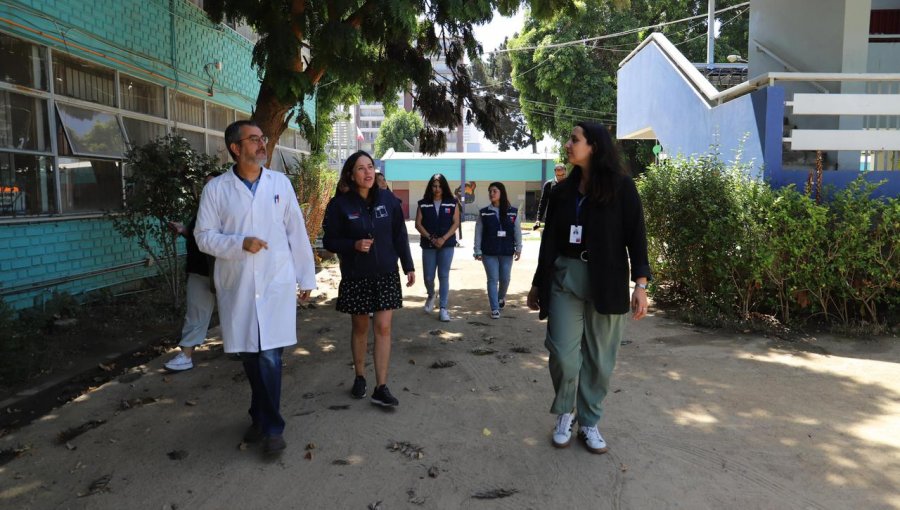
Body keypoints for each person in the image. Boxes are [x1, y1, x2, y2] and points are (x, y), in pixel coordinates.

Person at [526, 122, 651, 455]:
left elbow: (636, 237)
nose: (568, 144)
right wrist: (539, 282)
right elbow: (549, 239)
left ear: (593, 146)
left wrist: (640, 284)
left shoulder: (622, 187)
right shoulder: (561, 192)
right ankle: (565, 412)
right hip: (566, 277)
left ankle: (590, 419)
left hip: (607, 280)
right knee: (564, 355)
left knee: (600, 360)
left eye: (574, 139)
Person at [195, 120, 316, 456]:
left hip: (276, 282)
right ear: (236, 148)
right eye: (254, 139)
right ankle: (258, 415)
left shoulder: (280, 184)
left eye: (262, 138)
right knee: (250, 355)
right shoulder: (216, 190)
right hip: (239, 286)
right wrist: (239, 243)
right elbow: (203, 236)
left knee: (270, 356)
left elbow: (296, 232)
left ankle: (273, 428)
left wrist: (306, 277)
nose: (262, 144)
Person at [322, 150, 415, 407]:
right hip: (356, 275)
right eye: (361, 168)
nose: (368, 172)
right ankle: (360, 376)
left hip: (386, 274)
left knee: (383, 328)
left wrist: (408, 265)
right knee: (361, 328)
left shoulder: (389, 200)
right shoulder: (340, 205)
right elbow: (329, 241)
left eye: (370, 167)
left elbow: (400, 235)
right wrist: (353, 244)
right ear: (351, 175)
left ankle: (381, 386)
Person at [164, 171, 222, 372]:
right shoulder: (202, 210)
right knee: (195, 312)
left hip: (225, 272)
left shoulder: (232, 211)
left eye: (213, 185)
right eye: (206, 185)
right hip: (199, 270)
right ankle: (186, 355)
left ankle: (242, 348)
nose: (209, 189)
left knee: (234, 311)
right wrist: (183, 230)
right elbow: (198, 236)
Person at [414, 173, 460, 322]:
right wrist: (431, 238)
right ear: (430, 187)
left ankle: (443, 308)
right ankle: (431, 295)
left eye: (440, 186)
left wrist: (443, 239)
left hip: (446, 245)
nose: (437, 188)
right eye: (434, 186)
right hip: (428, 244)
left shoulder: (452, 202)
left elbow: (455, 223)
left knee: (444, 275)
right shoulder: (423, 203)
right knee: (428, 276)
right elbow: (418, 224)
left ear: (444, 186)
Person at [473, 182, 522, 320]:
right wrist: (477, 250)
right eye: (490, 191)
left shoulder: (513, 211)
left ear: (501, 193)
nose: (491, 194)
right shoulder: (484, 212)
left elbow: (517, 231)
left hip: (506, 251)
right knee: (492, 279)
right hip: (489, 251)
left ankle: (500, 298)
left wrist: (519, 248)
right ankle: (494, 308)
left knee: (505, 279)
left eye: (494, 191)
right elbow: (478, 232)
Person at [535, 163, 567, 229]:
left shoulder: (570, 185)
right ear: (555, 173)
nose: (560, 177)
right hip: (551, 219)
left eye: (563, 175)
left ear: (565, 172)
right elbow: (543, 203)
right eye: (558, 175)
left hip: (566, 219)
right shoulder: (548, 185)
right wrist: (538, 219)